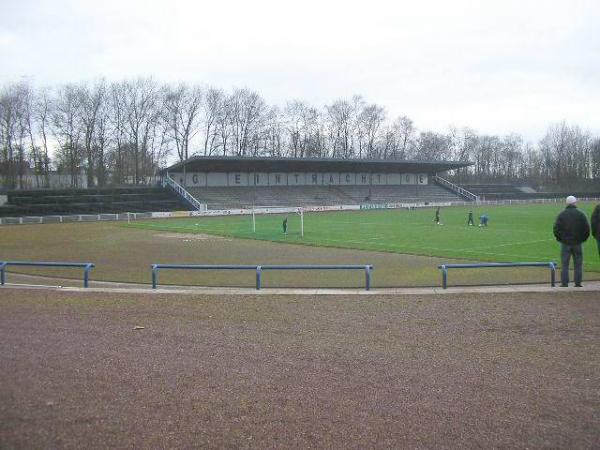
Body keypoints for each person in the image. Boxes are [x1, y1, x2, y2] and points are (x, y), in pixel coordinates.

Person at [553, 196, 590, 287]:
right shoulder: (581, 214)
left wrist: (560, 239)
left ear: (566, 203)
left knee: (565, 264)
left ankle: (564, 283)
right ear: (575, 203)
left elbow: (556, 229)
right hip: (578, 243)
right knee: (578, 264)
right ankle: (578, 283)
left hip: (565, 243)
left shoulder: (562, 214)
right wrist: (582, 239)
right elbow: (586, 229)